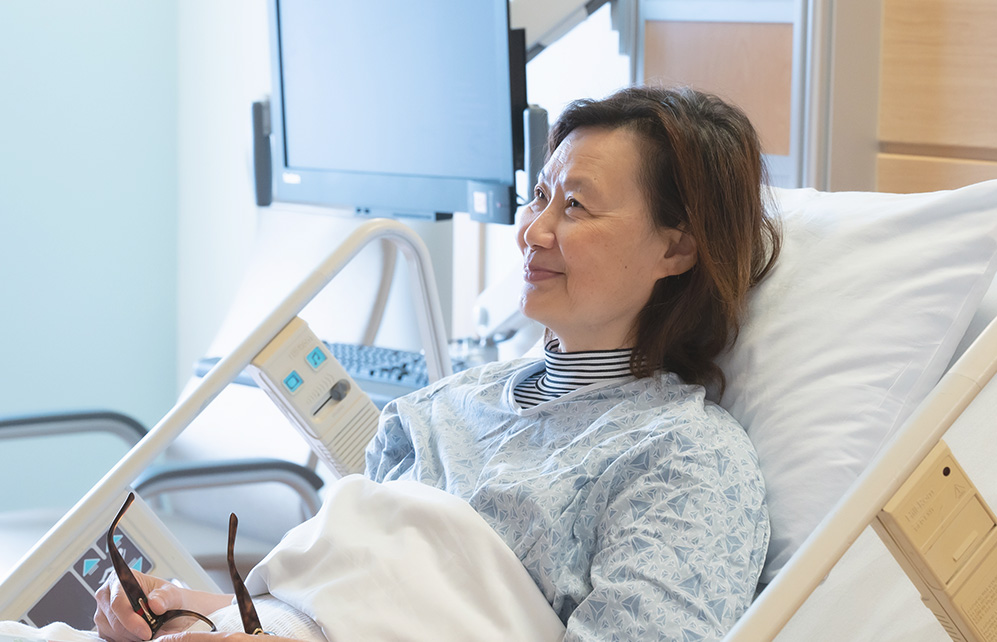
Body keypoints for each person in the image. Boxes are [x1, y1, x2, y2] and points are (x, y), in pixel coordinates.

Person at [94, 85, 783, 642]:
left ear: (677, 250)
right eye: (540, 196)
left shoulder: (685, 461)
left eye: (575, 206)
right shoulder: (445, 406)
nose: (533, 231)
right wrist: (185, 612)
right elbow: (334, 605)